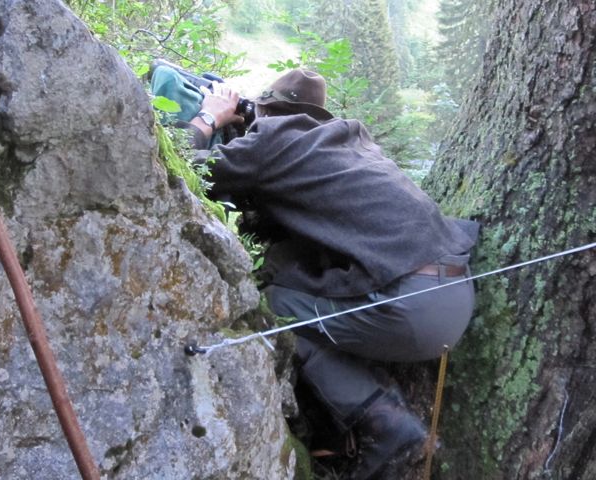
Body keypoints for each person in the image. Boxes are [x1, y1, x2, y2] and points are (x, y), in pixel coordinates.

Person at [180, 69, 478, 480]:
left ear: (264, 110)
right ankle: (341, 435)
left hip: (410, 307)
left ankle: (384, 421)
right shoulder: (352, 142)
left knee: (274, 305)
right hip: (454, 294)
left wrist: (211, 117)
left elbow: (182, 166)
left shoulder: (273, 137)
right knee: (301, 293)